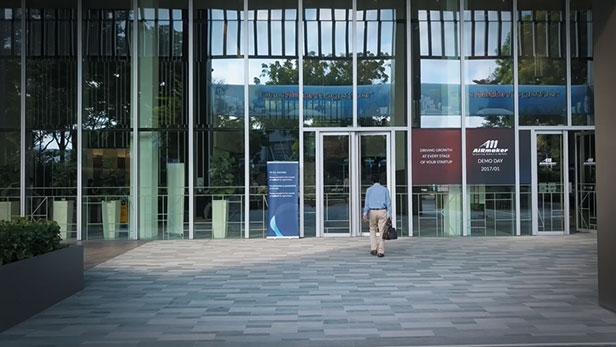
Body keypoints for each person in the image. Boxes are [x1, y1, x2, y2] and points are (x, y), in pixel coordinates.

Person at [362, 174, 391, 257]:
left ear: (372, 181)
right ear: (380, 180)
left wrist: (365, 214)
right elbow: (388, 202)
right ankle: (380, 251)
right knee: (382, 230)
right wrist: (390, 214)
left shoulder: (369, 190)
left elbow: (366, 203)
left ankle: (373, 249)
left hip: (372, 211)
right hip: (382, 211)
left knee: (372, 229)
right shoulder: (385, 189)